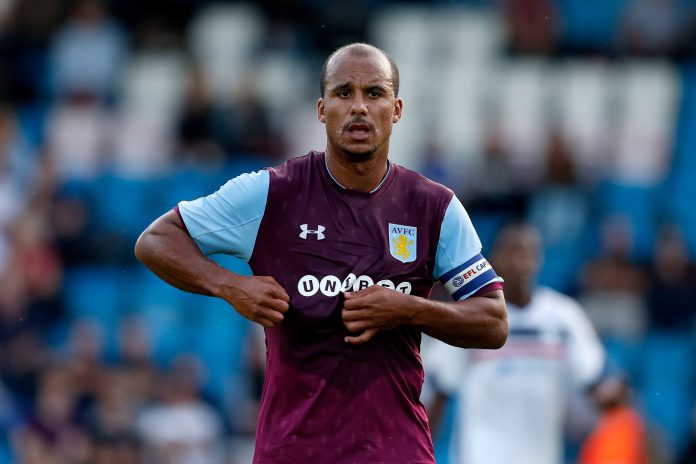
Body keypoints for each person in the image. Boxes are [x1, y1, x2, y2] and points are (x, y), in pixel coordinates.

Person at [135, 42, 507, 463]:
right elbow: (155, 240)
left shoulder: (433, 206)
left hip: (395, 451)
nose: (360, 107)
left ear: (397, 109)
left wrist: (408, 310)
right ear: (320, 109)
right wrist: (231, 286)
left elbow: (493, 321)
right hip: (294, 450)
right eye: (344, 93)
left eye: (375, 93)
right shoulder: (272, 194)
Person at [424, 222, 606, 464]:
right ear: (493, 258)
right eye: (512, 251)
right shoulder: (472, 316)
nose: (521, 261)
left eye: (528, 252)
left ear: (540, 258)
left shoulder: (564, 317)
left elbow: (597, 384)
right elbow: (440, 392)